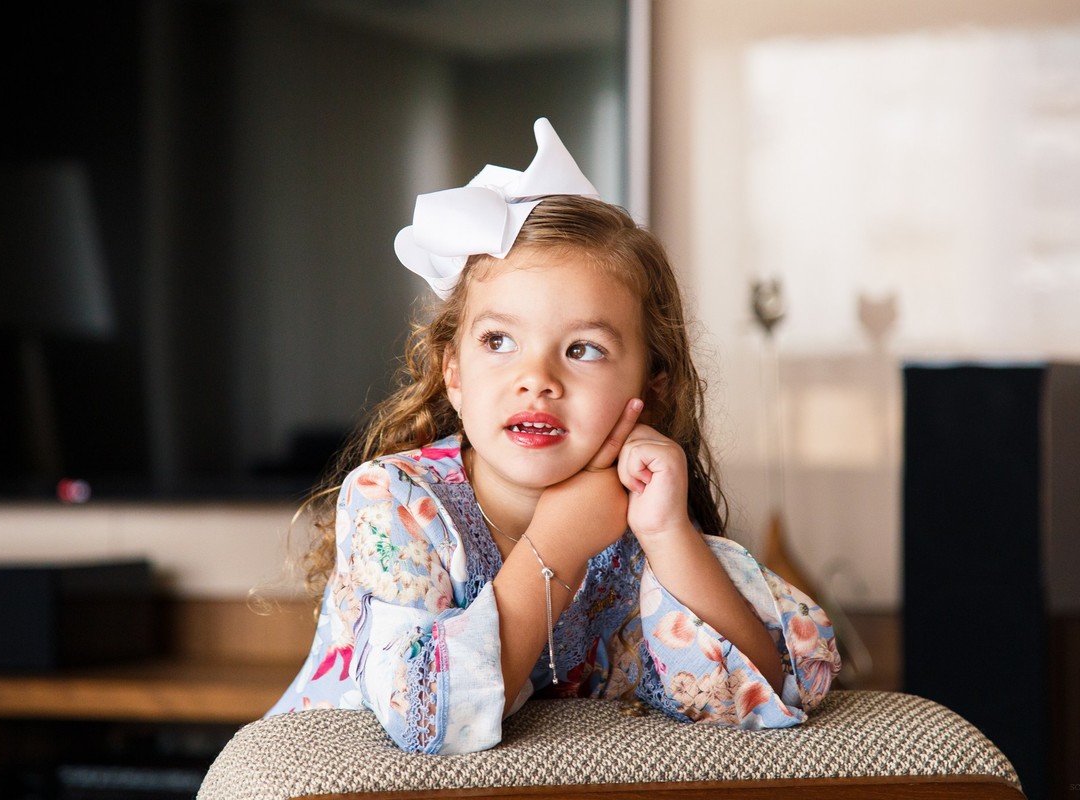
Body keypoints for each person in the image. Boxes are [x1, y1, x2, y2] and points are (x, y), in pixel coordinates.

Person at [266, 118, 839, 754]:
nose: (536, 379)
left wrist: (666, 533)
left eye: (583, 348)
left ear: (653, 387)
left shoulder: (643, 531)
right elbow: (426, 722)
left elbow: (780, 687)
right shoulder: (393, 503)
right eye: (499, 341)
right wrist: (559, 543)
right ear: (452, 372)